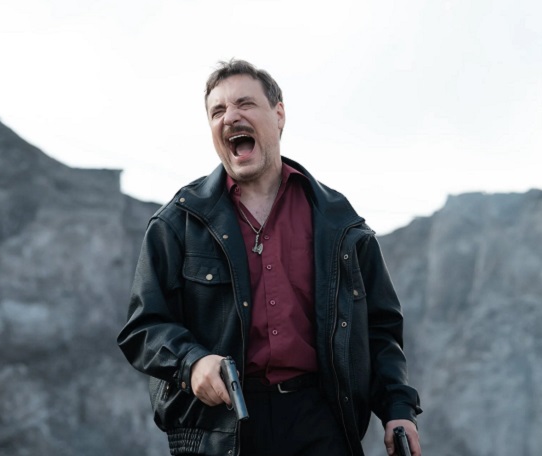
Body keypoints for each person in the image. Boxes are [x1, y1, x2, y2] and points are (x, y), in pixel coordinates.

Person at [117, 59, 422, 456]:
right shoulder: (177, 223)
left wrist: (398, 409)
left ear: (279, 115)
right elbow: (144, 327)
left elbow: (379, 329)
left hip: (321, 423)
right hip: (220, 431)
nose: (230, 117)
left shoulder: (340, 223)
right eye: (218, 111)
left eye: (245, 103)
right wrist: (192, 363)